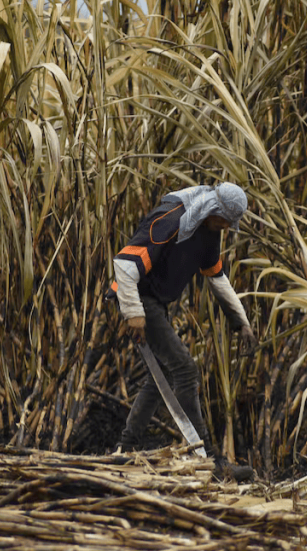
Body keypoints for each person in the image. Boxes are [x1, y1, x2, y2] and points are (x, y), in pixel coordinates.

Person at [108, 182, 257, 481]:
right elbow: (125, 265)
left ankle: (124, 451)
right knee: (186, 371)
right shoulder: (170, 221)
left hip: (156, 303)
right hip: (139, 298)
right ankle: (210, 461)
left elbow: (217, 277)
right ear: (214, 211)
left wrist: (241, 322)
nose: (228, 227)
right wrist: (134, 313)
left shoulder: (210, 232)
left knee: (158, 378)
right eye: (226, 220)